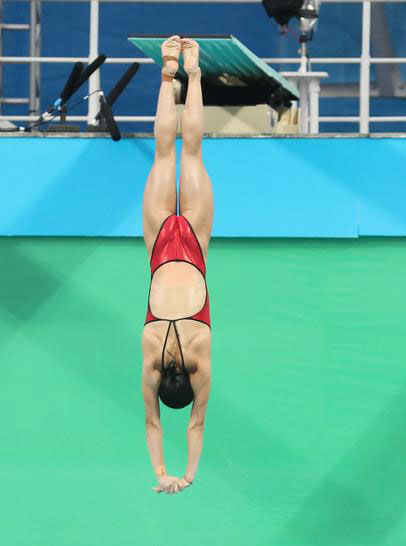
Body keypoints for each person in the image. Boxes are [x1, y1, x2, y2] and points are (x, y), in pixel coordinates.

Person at [141, 36, 213, 493]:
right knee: (167, 152)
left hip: (194, 247)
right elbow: (151, 423)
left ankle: (193, 71)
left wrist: (187, 474)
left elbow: (197, 426)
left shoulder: (201, 354)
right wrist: (162, 473)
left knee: (191, 152)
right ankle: (168, 72)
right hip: (160, 248)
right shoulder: (150, 349)